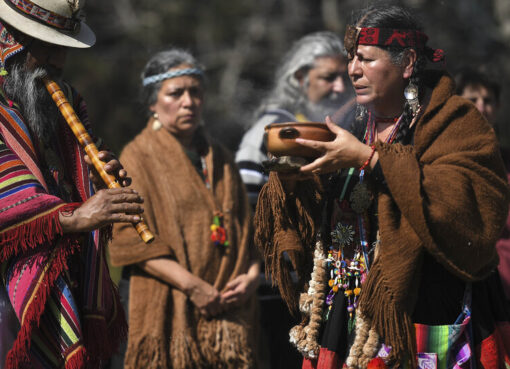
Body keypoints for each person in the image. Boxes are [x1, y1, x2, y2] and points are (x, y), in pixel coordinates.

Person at [255, 4, 510, 369]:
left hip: (418, 315)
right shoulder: (349, 121)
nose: (353, 70)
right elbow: (322, 221)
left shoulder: (455, 122)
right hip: (345, 316)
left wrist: (372, 161)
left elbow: (466, 218)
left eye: (365, 59)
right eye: (351, 58)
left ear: (407, 63)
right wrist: (298, 179)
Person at [0, 0, 145, 368]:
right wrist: (72, 218)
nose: (60, 62)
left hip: (65, 278)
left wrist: (94, 182)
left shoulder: (65, 101)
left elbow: (65, 182)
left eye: (63, 48)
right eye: (47, 47)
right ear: (11, 40)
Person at [109, 49, 260, 369]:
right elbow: (131, 239)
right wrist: (193, 287)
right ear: (152, 103)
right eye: (175, 93)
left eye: (195, 92)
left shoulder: (220, 157)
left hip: (226, 315)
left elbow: (246, 232)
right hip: (168, 307)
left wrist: (251, 276)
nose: (188, 102)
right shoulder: (138, 157)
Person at [235, 31, 353, 208]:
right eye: (328, 78)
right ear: (300, 78)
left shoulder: (345, 128)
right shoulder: (270, 130)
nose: (340, 87)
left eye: (344, 77)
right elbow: (245, 201)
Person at [456, 67, 510, 304]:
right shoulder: (442, 158)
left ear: (497, 108)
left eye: (487, 100)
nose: (480, 107)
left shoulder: (507, 161)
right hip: (460, 285)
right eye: (472, 100)